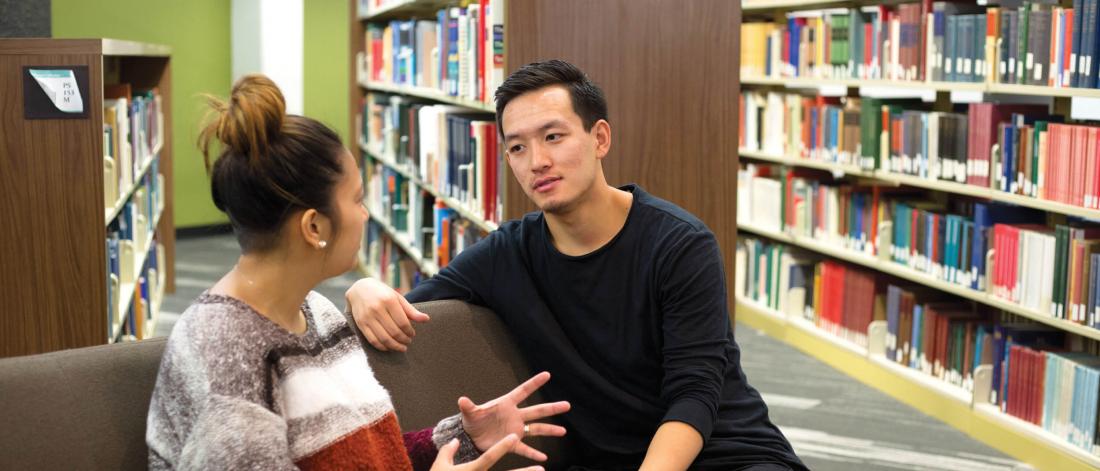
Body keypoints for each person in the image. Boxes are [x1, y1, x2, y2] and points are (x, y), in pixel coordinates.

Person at [347, 60, 808, 471]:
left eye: (553, 137)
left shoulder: (680, 244)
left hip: (723, 452)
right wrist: (363, 288)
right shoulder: (506, 253)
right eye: (517, 148)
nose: (538, 162)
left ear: (599, 138)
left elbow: (694, 396)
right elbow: (409, 306)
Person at [145, 74, 570, 470]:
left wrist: (461, 436)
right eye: (357, 199)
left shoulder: (314, 310)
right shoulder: (226, 361)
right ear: (314, 227)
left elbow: (367, 457)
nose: (366, 215)